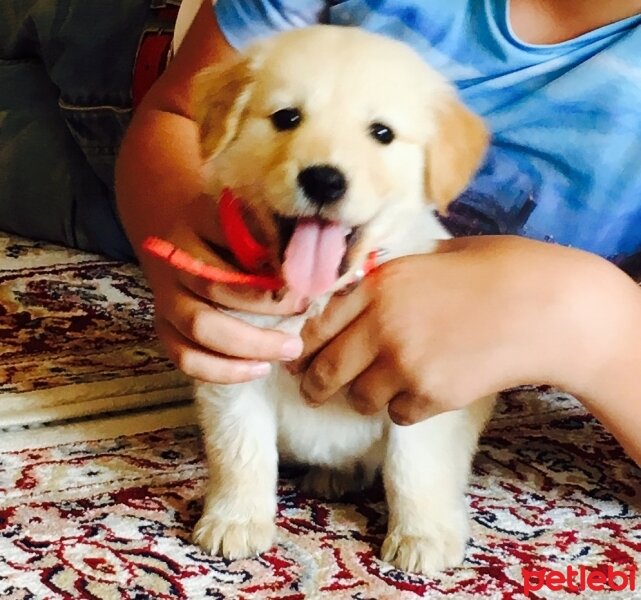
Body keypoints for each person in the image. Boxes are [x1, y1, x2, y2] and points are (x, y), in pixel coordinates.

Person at [3, 1, 641, 465]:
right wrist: (184, 230)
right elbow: (178, 109)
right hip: (147, 81)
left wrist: (596, 326)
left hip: (102, 197)